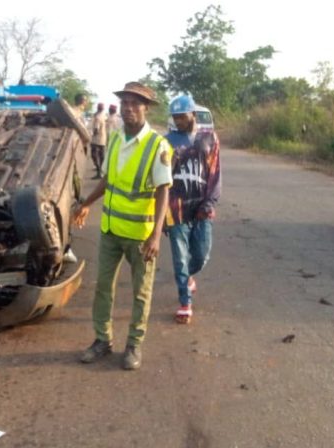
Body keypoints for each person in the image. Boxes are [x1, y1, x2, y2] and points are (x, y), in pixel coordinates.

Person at [73, 81, 173, 370]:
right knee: (103, 287)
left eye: (135, 103)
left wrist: (156, 234)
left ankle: (134, 345)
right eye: (125, 102)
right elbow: (107, 179)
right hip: (111, 231)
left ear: (145, 108)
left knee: (141, 293)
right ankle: (102, 340)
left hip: (141, 236)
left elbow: (163, 190)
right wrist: (87, 203)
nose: (129, 108)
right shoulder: (115, 139)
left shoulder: (158, 146)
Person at [163, 95, 222, 324]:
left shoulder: (209, 139)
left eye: (182, 117)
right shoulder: (166, 142)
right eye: (175, 117)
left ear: (193, 116)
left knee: (200, 256)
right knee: (180, 258)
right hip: (175, 208)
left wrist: (209, 204)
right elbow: (161, 177)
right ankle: (185, 302)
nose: (178, 121)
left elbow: (215, 173)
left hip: (201, 208)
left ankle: (188, 278)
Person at [90, 103, 107, 179]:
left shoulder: (97, 117)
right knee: (102, 156)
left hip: (96, 139)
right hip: (103, 139)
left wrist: (90, 135)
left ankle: (99, 172)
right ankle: (102, 172)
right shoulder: (104, 116)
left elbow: (96, 129)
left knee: (94, 155)